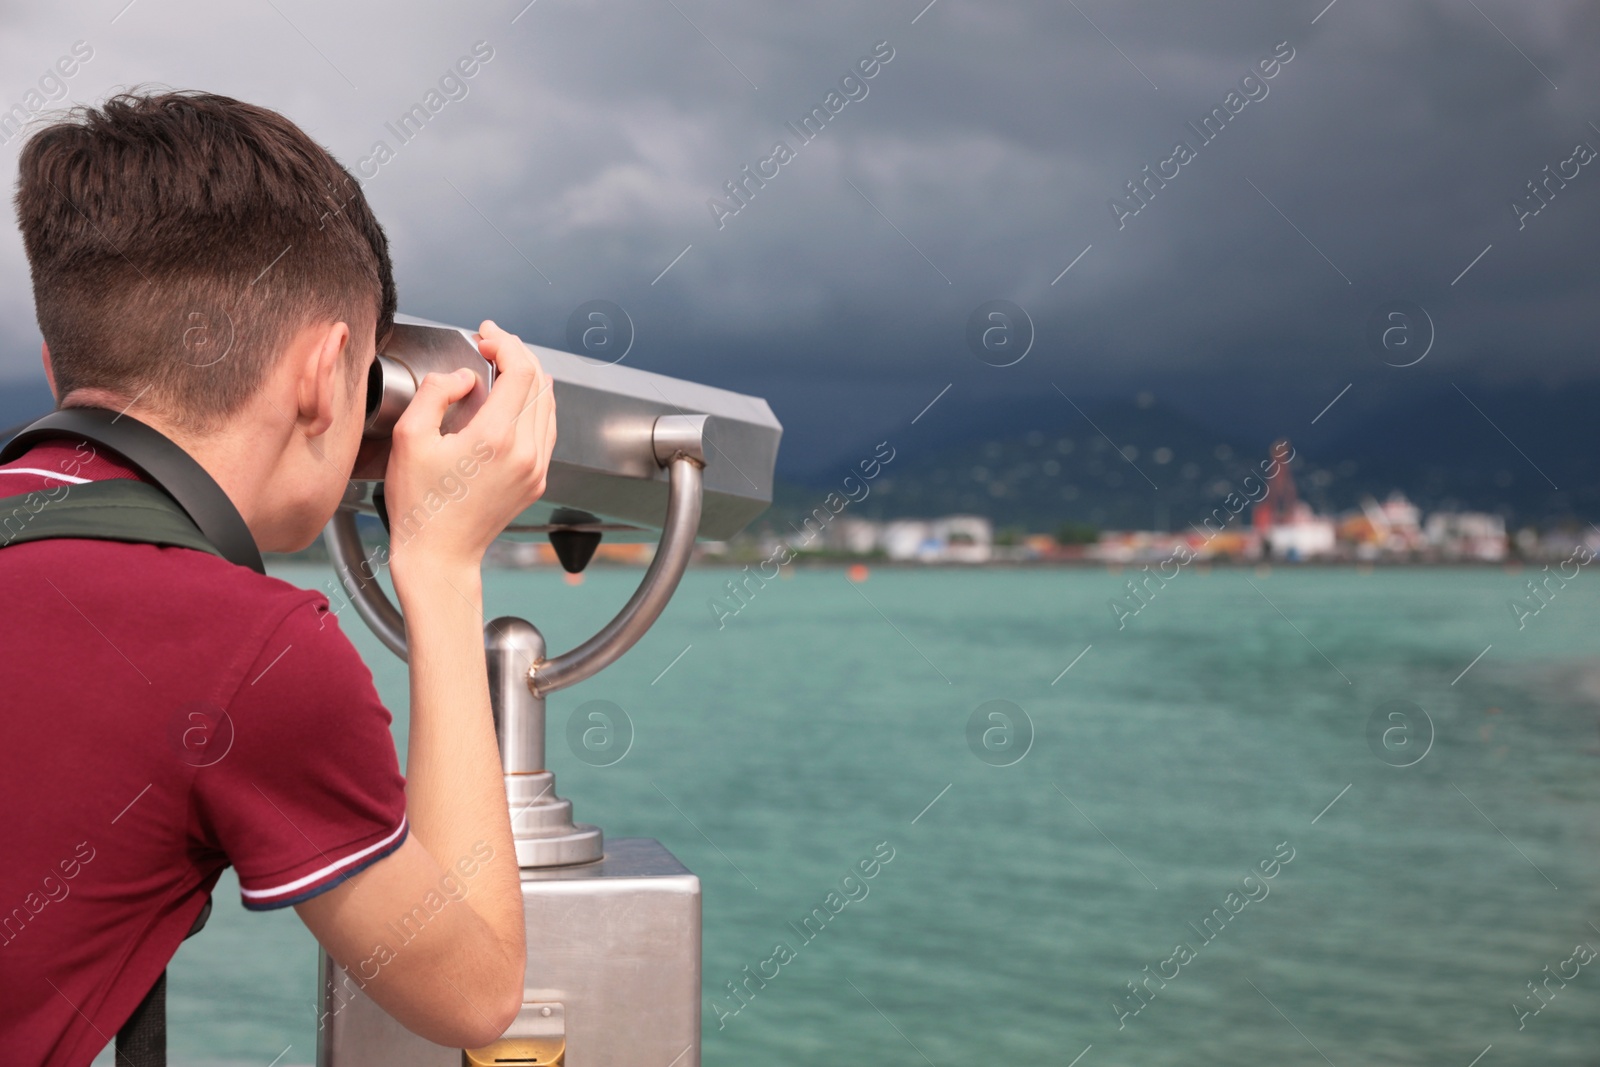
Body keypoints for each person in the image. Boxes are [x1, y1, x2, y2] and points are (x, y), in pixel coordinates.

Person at [0, 90, 555, 1063]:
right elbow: (474, 993)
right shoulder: (246, 649)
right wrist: (439, 559)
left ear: (56, 367)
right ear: (325, 374)